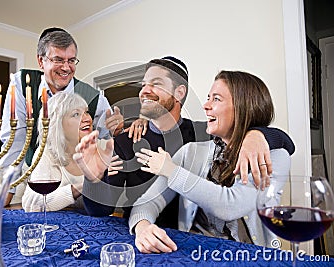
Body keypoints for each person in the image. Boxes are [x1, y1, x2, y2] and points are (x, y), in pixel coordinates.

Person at [73, 56, 295, 230]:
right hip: (145, 233)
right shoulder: (126, 140)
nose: (144, 91)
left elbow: (285, 143)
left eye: (156, 83)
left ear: (179, 92)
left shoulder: (204, 133)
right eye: (143, 84)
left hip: (193, 238)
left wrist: (257, 135)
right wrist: (93, 180)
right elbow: (100, 211)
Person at [129, 70, 290, 252]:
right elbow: (147, 202)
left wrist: (171, 171)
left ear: (244, 106)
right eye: (208, 98)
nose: (206, 105)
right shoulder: (190, 151)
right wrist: (142, 228)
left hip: (252, 258)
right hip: (193, 256)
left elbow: (230, 206)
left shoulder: (275, 157)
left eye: (216, 99)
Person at [0, 27, 123, 205]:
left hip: (75, 180)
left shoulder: (94, 97)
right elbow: (14, 142)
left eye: (71, 60)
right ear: (41, 61)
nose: (66, 67)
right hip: (31, 179)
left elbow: (108, 138)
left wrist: (118, 130)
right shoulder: (23, 84)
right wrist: (5, 190)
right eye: (58, 60)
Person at [22, 92, 109, 211]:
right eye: (76, 114)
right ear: (58, 123)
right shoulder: (48, 153)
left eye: (87, 112)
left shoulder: (104, 148)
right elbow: (31, 204)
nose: (87, 119)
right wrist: (80, 187)